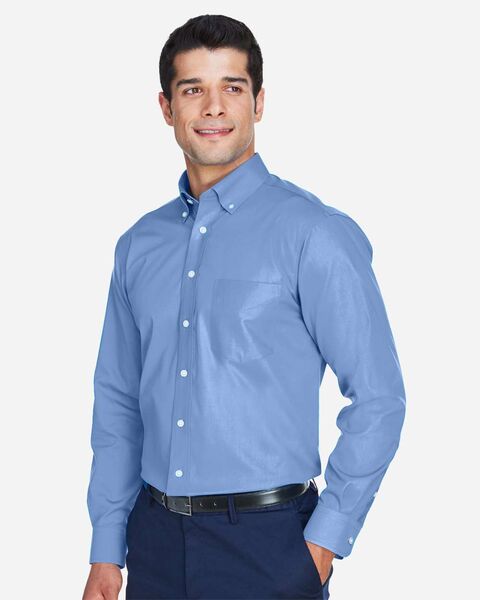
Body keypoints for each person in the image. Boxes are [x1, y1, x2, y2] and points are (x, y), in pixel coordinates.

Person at [82, 14, 406, 600]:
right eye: (193, 89)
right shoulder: (138, 246)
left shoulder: (314, 234)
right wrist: (107, 549)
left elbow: (379, 398)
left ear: (258, 102)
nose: (213, 107)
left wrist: (323, 544)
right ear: (166, 107)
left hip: (270, 545)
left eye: (232, 87)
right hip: (152, 541)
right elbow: (118, 404)